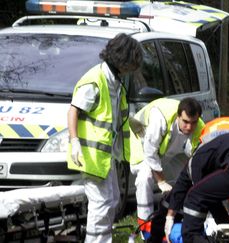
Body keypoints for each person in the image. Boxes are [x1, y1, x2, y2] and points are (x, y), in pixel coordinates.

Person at [67, 33, 142, 242]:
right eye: (132, 62)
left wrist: (131, 121)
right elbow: (73, 110)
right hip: (91, 157)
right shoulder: (95, 80)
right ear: (123, 59)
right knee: (101, 204)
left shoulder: (114, 81)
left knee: (112, 201)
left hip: (106, 157)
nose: (133, 68)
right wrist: (74, 142)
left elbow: (112, 115)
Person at [128, 97, 205, 241]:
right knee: (144, 178)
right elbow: (150, 152)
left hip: (169, 148)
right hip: (142, 139)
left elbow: (197, 159)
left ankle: (183, 217)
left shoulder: (200, 127)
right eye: (185, 122)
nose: (189, 127)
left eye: (193, 122)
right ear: (178, 117)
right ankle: (146, 228)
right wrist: (161, 181)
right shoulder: (160, 118)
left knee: (192, 177)